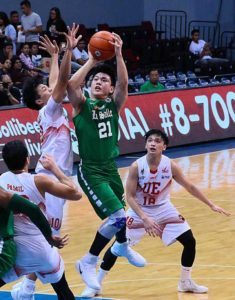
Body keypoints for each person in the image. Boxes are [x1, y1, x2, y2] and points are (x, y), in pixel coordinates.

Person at [83, 129, 231, 297]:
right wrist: (145, 218)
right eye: (150, 140)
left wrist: (211, 204)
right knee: (119, 246)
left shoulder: (170, 165)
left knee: (189, 241)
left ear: (164, 147)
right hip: (139, 210)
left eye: (157, 141)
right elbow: (130, 197)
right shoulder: (136, 166)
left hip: (163, 208)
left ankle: (185, 282)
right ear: (146, 144)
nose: (153, 143)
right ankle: (97, 284)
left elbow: (190, 186)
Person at [67, 32, 146, 292]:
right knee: (118, 216)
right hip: (91, 171)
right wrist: (91, 61)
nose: (99, 82)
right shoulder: (81, 105)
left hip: (110, 168)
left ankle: (122, 246)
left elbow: (123, 84)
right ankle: (87, 261)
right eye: (96, 80)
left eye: (104, 80)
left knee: (121, 218)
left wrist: (120, 55)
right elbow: (71, 86)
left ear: (110, 89)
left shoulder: (113, 104)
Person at [0, 140, 82, 299]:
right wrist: (54, 168)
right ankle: (26, 291)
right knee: (62, 289)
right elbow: (76, 193)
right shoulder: (38, 180)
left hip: (15, 251)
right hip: (42, 248)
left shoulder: (1, 181)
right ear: (27, 159)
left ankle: (25, 292)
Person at [0, 187, 67, 283]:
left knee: (59, 283)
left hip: (6, 248)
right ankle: (26, 290)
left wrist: (49, 237)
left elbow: (32, 209)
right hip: (32, 248)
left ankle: (27, 288)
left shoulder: (3, 195)